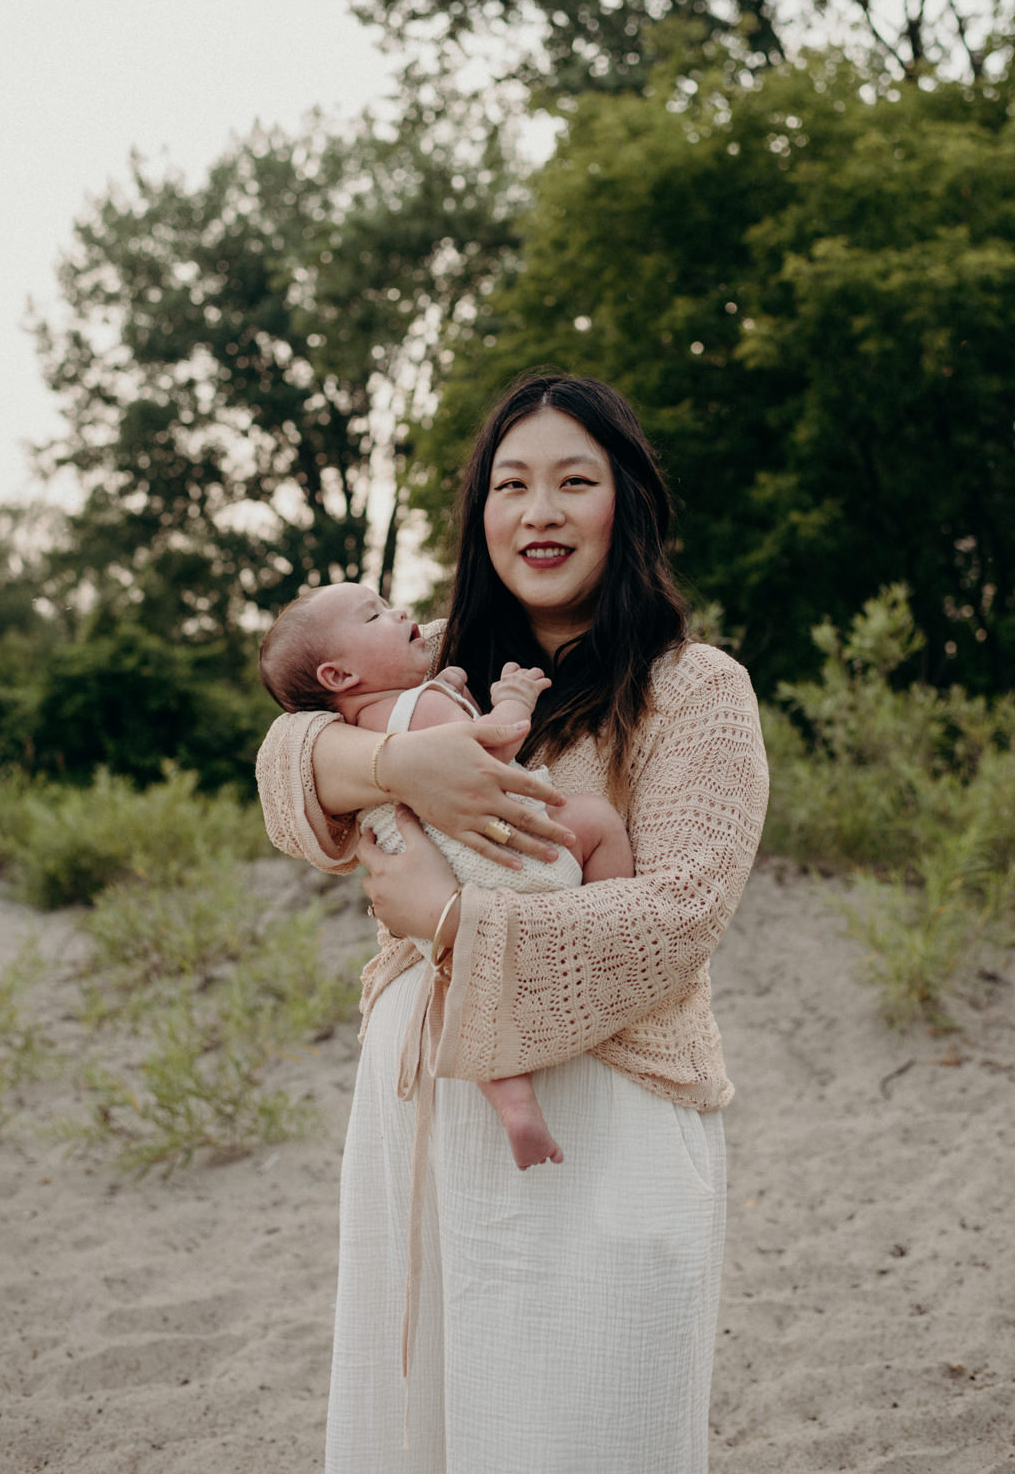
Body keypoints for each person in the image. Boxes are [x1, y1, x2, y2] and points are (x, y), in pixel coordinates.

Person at [255, 372, 769, 1474]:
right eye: (512, 483)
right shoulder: (432, 666)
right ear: (479, 512)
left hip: (611, 1105)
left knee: (594, 1421)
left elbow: (679, 913)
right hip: (430, 1115)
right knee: (431, 1423)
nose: (539, 511)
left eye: (574, 481)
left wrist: (451, 921)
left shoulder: (696, 689)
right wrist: (395, 762)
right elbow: (286, 763)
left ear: (624, 503)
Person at [256, 580, 635, 1169]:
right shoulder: (420, 706)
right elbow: (497, 745)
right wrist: (512, 699)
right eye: (375, 615)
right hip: (503, 859)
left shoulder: (365, 721)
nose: (402, 612)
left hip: (423, 896)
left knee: (462, 983)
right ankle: (607, 906)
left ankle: (514, 1107)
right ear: (338, 677)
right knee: (597, 821)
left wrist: (449, 687)